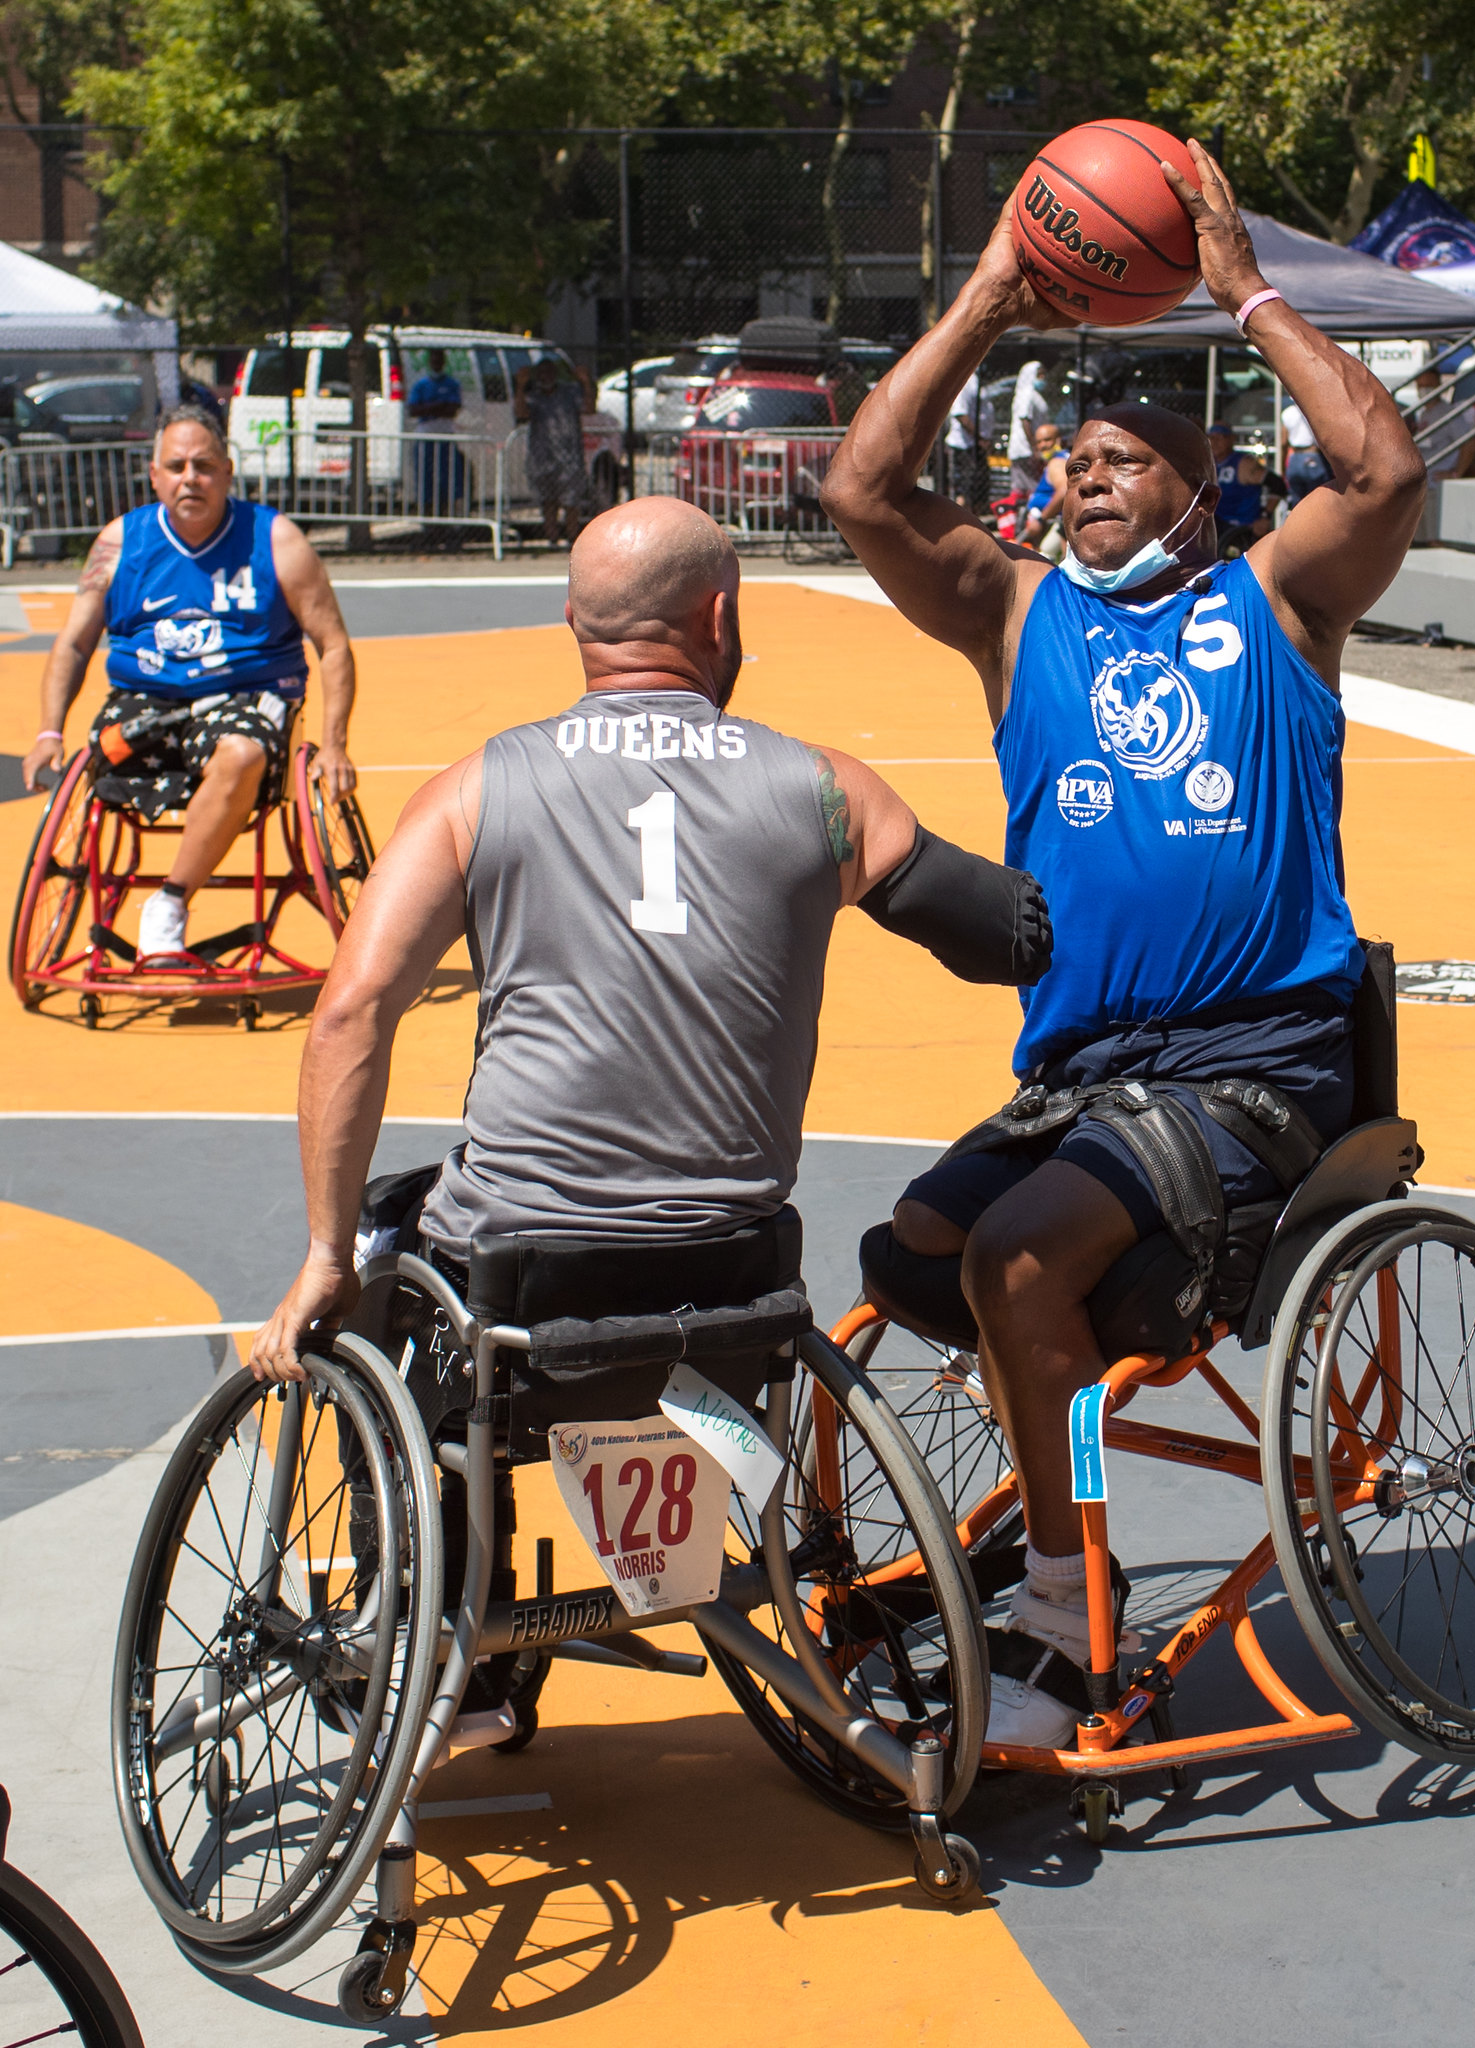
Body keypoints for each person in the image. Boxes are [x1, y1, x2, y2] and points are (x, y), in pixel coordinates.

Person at [820, 140, 1425, 1743]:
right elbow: (859, 490)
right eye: (1070, 457)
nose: (1084, 475)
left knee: (1020, 1263)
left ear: (1198, 486)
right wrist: (984, 299)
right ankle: (1061, 1465)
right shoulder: (1021, 614)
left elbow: (1381, 475)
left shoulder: (1278, 602)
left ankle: (1058, 1605)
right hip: (1086, 1076)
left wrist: (1243, 293)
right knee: (911, 1250)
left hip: (1255, 1070)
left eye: (1123, 458)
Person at [250, 496, 1051, 1375]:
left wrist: (327, 1256)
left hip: (517, 1282)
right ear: (720, 615)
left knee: (375, 1232)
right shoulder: (827, 789)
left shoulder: (471, 794)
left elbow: (350, 1014)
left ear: (573, 623)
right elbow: (1005, 937)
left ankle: (394, 1505)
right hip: (733, 1266)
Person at [21, 404, 357, 962]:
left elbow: (334, 643)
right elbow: (76, 643)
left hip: (245, 696)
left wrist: (336, 744)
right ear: (154, 476)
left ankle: (169, 902)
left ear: (227, 471)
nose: (189, 478)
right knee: (102, 749)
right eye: (175, 466)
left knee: (243, 752)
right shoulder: (120, 543)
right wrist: (48, 732)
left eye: (203, 466)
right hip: (144, 700)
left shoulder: (275, 540)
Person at [515, 352, 589, 546]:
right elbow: (521, 413)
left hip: (570, 456)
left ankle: (573, 538)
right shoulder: (534, 396)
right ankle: (552, 538)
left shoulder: (569, 393)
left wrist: (586, 383)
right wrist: (521, 385)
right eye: (541, 373)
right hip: (542, 456)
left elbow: (589, 408)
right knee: (548, 500)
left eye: (549, 373)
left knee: (571, 500)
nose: (545, 377)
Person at [407, 346, 466, 516]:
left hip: (445, 435)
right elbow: (413, 409)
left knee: (447, 478)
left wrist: (430, 407)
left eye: (439, 359)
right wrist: (437, 406)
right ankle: (427, 520)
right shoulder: (421, 385)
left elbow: (452, 408)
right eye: (433, 359)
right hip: (426, 435)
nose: (436, 362)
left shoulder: (452, 384)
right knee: (426, 479)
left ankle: (447, 517)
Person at [1410, 358, 1475, 482]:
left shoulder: (1448, 413)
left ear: (1438, 386)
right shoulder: (1424, 413)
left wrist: (1456, 474)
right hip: (1424, 483)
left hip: (1435, 485)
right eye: (1421, 386)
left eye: (1429, 386)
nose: (1424, 390)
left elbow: (1470, 442)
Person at [1208, 421, 1272, 552]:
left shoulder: (1244, 463)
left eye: (1220, 437)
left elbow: (1278, 485)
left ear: (1231, 439)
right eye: (1212, 437)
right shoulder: (1209, 462)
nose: (1215, 442)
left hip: (1239, 528)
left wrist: (1265, 516)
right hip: (1215, 524)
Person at [944, 368, 996, 514]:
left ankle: (971, 519)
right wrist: (979, 439)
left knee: (977, 489)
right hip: (964, 446)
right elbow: (960, 414)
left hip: (976, 446)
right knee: (964, 490)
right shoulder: (966, 381)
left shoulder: (977, 382)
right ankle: (956, 519)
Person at [1016, 421, 1068, 560]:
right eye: (1038, 442)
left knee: (1045, 555)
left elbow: (1064, 491)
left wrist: (1041, 519)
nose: (1042, 445)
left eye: (1047, 440)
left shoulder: (1057, 463)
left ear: (1058, 440)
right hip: (1050, 524)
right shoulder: (1060, 460)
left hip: (1056, 525)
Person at [1007, 359, 1051, 498]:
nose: (1042, 378)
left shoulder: (1033, 394)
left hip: (1029, 448)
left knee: (1024, 487)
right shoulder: (1026, 394)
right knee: (1030, 486)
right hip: (1025, 449)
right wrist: (1035, 447)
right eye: (1039, 374)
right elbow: (1025, 420)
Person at [1279, 395, 1330, 505]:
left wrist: (1282, 468)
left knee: (1296, 502)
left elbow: (1283, 442)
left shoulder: (1287, 414)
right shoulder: (1316, 412)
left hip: (1295, 459)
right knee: (1318, 501)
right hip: (1314, 456)